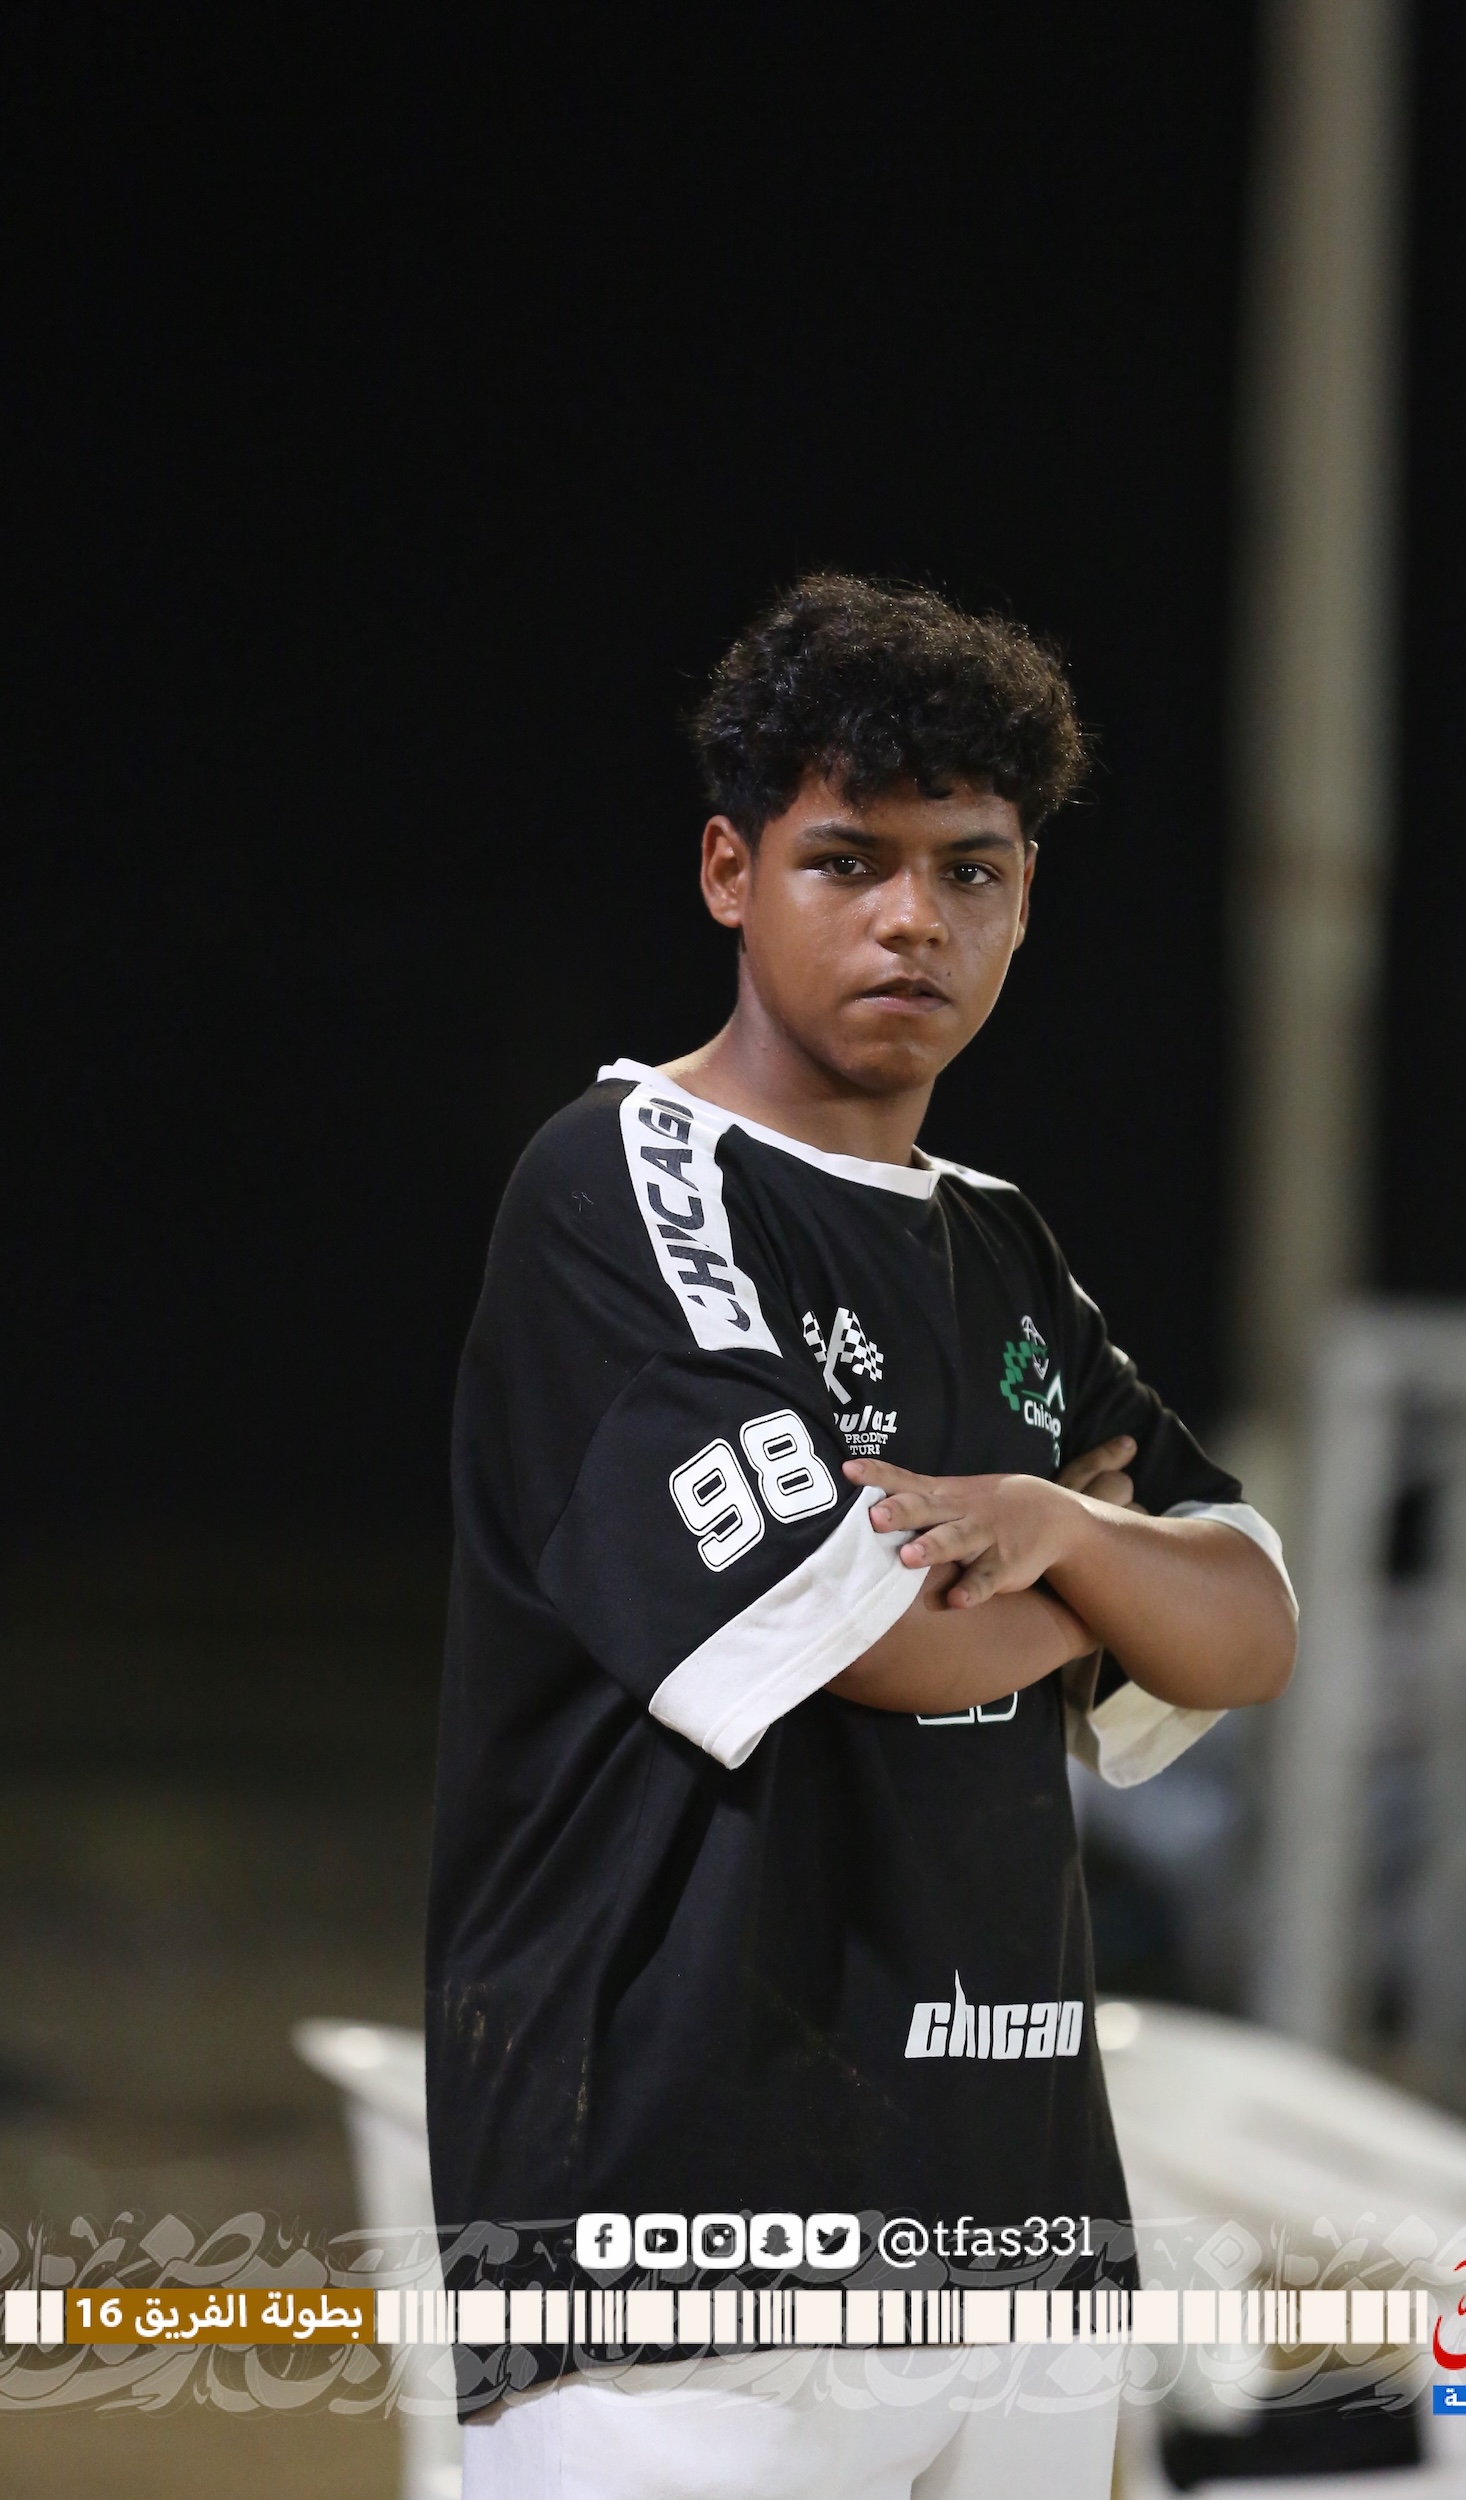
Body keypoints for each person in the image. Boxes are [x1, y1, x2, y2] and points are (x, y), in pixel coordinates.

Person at [428, 574, 1298, 2499]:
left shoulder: (997, 1242)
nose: (914, 918)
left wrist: (1028, 1529)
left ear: (1023, 897)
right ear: (728, 873)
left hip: (1014, 2227)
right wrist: (1099, 1574)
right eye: (848, 861)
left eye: (967, 870)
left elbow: (1250, 1626)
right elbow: (873, 1639)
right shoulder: (620, 1182)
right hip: (684, 2243)